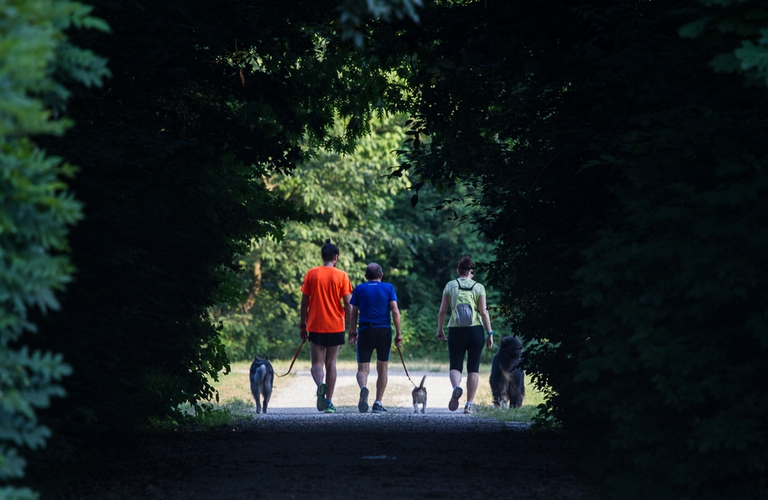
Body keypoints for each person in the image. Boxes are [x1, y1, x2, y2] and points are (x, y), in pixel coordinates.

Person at [300, 239, 353, 414]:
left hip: (316, 325)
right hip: (336, 325)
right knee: (331, 363)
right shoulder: (342, 276)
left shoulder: (311, 274)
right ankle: (329, 402)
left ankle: (320, 385)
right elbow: (348, 303)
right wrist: (352, 327)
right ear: (336, 257)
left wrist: (303, 324)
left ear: (323, 256)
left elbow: (304, 302)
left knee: (316, 364)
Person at [436, 255, 494, 414]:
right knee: (473, 368)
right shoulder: (478, 287)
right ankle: (469, 405)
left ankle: (456, 387)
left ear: (458, 270)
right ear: (471, 271)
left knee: (455, 365)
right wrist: (490, 333)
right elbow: (483, 312)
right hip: (475, 330)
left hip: (456, 330)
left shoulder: (450, 285)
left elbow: (442, 311)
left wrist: (440, 329)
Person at [348, 263, 403, 414]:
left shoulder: (359, 288)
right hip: (384, 331)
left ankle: (363, 388)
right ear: (381, 275)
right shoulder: (388, 288)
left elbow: (353, 313)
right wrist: (399, 334)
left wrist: (352, 331)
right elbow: (395, 311)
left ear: (366, 276)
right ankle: (378, 403)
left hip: (365, 330)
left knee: (363, 368)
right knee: (382, 368)